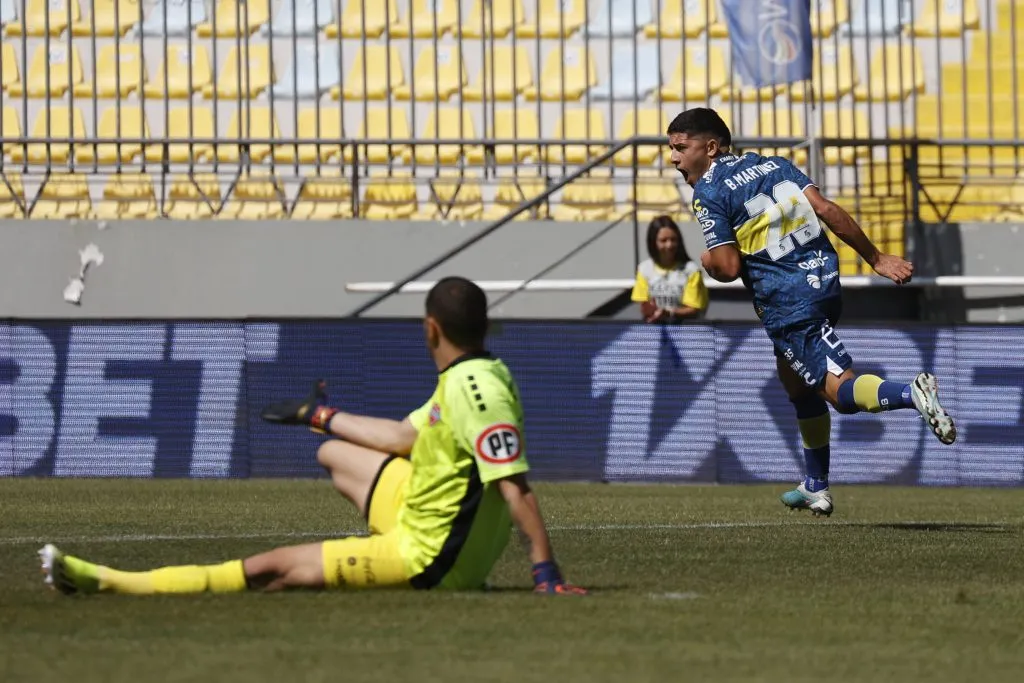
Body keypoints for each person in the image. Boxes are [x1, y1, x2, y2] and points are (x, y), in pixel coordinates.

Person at [39, 276, 586, 596]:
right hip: (424, 506)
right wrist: (317, 416)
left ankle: (110, 582)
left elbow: (514, 485)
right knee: (334, 452)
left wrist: (546, 573)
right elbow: (401, 437)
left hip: (432, 557)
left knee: (276, 567)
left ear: (430, 329)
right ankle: (368, 488)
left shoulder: (475, 389)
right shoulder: (474, 374)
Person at [666, 107, 956, 517]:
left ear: (710, 147)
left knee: (840, 393)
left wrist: (706, 261)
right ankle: (815, 485)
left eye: (681, 147)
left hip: (787, 300)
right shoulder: (774, 164)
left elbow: (728, 268)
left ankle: (912, 393)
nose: (674, 158)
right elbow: (826, 209)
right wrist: (875, 257)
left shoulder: (709, 192)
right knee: (797, 383)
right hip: (823, 282)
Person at [631, 215, 710, 323]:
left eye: (673, 239)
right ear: (653, 242)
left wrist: (668, 313)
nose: (669, 245)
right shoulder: (644, 269)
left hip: (687, 334)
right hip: (655, 333)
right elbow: (644, 305)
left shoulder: (691, 271)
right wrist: (651, 310)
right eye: (663, 240)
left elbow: (694, 309)